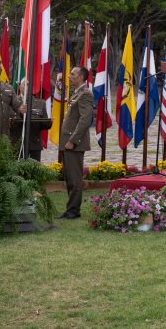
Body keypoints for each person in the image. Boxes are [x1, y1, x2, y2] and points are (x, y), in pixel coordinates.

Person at [59, 66, 94, 219]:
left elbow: (85, 120)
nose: (69, 76)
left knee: (74, 178)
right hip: (68, 141)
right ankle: (71, 208)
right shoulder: (77, 93)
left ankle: (73, 210)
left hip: (74, 143)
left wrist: (73, 141)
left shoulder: (85, 94)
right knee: (69, 177)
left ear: (81, 77)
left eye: (72, 74)